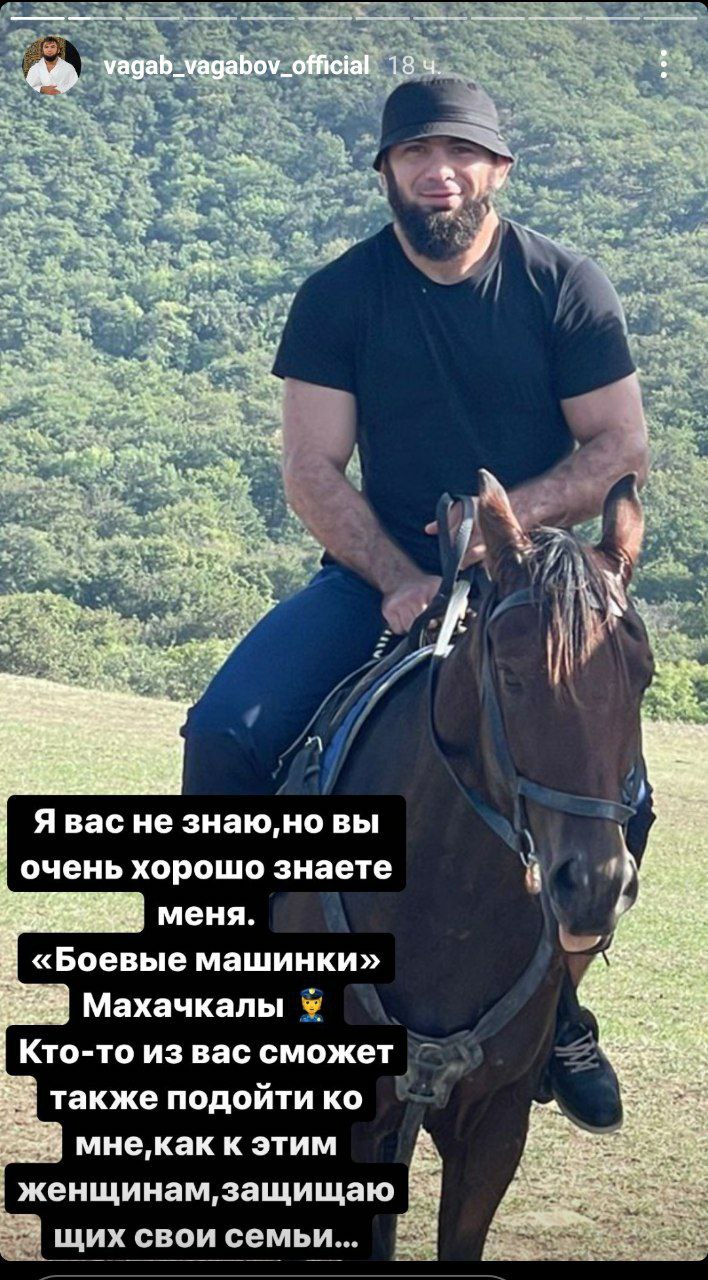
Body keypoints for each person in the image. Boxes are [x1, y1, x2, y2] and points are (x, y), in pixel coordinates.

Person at [181, 77, 655, 1133]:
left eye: (460, 153)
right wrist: (400, 576)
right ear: (387, 173)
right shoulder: (339, 296)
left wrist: (502, 529)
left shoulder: (566, 286)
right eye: (414, 154)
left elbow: (618, 448)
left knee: (623, 796)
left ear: (497, 171)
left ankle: (559, 1011)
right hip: (377, 581)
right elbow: (311, 469)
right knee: (223, 734)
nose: (439, 172)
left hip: (531, 590)